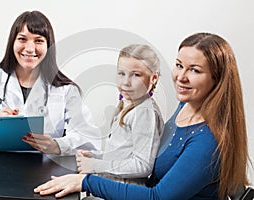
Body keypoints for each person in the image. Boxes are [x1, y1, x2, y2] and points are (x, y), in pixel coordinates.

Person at [33, 32, 250, 199]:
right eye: (179, 65)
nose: (181, 77)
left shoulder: (207, 141)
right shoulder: (184, 108)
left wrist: (86, 181)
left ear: (217, 79)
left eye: (194, 70)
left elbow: (158, 196)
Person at [0, 10, 101, 155]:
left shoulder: (65, 89)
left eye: (38, 40)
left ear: (48, 46)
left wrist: (57, 145)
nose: (29, 49)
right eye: (22, 39)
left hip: (44, 169)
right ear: (12, 42)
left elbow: (89, 137)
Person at [76, 44, 164, 185]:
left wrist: (95, 165)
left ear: (153, 78)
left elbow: (143, 165)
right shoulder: (130, 104)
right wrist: (97, 157)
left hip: (125, 191)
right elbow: (123, 153)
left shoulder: (144, 112)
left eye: (135, 75)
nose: (126, 82)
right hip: (113, 185)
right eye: (121, 73)